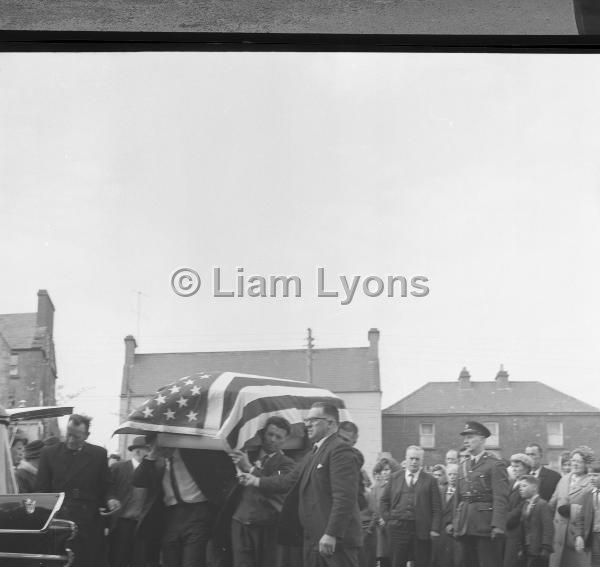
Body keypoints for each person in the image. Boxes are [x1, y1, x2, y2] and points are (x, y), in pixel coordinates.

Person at [252, 402, 362, 567]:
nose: (307, 424)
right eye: (306, 419)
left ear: (331, 423)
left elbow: (344, 498)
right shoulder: (314, 452)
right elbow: (288, 480)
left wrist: (332, 533)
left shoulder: (340, 450)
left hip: (333, 542)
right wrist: (255, 480)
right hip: (313, 539)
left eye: (313, 419)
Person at [132, 435, 236, 567]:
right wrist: (152, 455)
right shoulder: (156, 461)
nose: (162, 451)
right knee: (170, 560)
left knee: (192, 561)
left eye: (163, 446)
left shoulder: (194, 454)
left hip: (198, 513)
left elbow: (224, 468)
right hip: (171, 516)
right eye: (156, 447)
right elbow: (137, 480)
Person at [36, 414, 121, 567]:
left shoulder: (98, 454)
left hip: (88, 523)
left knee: (86, 561)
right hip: (59, 521)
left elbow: (106, 485)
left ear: (87, 435)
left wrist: (111, 499)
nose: (70, 440)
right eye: (68, 434)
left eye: (76, 436)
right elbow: (41, 490)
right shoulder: (49, 453)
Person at [218, 416, 296, 567]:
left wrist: (251, 469)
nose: (272, 439)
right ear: (262, 434)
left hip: (268, 526)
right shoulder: (246, 454)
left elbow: (278, 484)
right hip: (240, 522)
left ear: (285, 440)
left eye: (278, 437)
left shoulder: (287, 464)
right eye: (270, 434)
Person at [453, 421, 509, 567]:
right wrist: (454, 522)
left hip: (485, 525)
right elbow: (457, 498)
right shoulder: (463, 465)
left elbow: (500, 497)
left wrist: (498, 525)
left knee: (487, 563)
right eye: (465, 437)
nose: (466, 441)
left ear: (483, 439)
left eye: (470, 437)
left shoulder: (495, 464)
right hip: (464, 524)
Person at [380, 445, 441, 567]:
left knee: (422, 562)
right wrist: (388, 520)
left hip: (422, 529)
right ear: (406, 459)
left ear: (422, 461)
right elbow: (384, 501)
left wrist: (434, 529)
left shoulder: (430, 480)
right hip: (398, 529)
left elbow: (437, 507)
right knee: (397, 562)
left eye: (417, 459)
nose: (414, 462)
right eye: (411, 458)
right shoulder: (394, 477)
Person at [107, 436, 151, 567]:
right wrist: (110, 499)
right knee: (118, 560)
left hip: (142, 526)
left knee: (139, 561)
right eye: (148, 450)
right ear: (138, 452)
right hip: (121, 524)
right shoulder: (118, 468)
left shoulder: (152, 471)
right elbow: (107, 488)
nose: (152, 454)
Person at [548, 445, 595, 567]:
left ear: (587, 464)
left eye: (579, 461)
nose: (575, 464)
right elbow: (552, 503)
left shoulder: (591, 484)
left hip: (576, 535)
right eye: (573, 460)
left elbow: (591, 513)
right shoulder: (564, 479)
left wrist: (581, 536)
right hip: (558, 534)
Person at [369, 457, 401, 567]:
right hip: (381, 530)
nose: (386, 472)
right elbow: (373, 507)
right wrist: (379, 518)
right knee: (384, 559)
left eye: (388, 469)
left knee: (396, 559)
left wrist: (388, 518)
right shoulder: (376, 488)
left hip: (395, 527)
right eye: (383, 470)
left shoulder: (398, 487)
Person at [504, 453, 534, 567]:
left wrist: (504, 519)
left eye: (517, 466)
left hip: (517, 529)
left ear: (526, 468)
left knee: (512, 561)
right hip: (508, 529)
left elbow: (522, 506)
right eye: (512, 466)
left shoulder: (529, 484)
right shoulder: (512, 482)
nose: (513, 469)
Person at [517, 475, 554, 567]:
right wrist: (520, 546)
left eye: (524, 486)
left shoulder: (542, 504)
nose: (520, 489)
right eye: (520, 486)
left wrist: (546, 547)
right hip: (526, 548)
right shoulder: (525, 505)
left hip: (539, 550)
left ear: (534, 488)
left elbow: (548, 528)